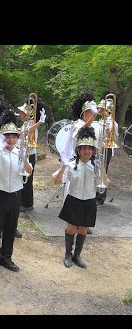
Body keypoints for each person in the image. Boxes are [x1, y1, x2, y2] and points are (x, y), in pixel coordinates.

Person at [0, 109, 33, 273]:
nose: (10, 139)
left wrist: (24, 157)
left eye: (13, 136)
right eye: (7, 136)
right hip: (0, 194)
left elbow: (29, 171)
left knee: (11, 228)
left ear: (17, 138)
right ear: (2, 137)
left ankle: (7, 258)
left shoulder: (19, 152)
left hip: (16, 195)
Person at [54, 127, 106, 269]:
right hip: (73, 200)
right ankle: (67, 255)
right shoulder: (71, 165)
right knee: (71, 229)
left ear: (93, 151)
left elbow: (105, 184)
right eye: (84, 148)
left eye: (90, 148)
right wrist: (64, 166)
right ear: (78, 150)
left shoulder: (96, 167)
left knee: (83, 230)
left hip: (89, 202)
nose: (87, 151)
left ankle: (77, 255)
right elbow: (57, 181)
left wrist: (103, 170)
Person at [62, 93, 98, 235]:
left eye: (92, 112)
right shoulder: (77, 124)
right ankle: (70, 222)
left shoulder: (93, 125)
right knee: (72, 192)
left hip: (88, 161)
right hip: (75, 162)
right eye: (89, 111)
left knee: (87, 191)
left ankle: (84, 223)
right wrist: (95, 116)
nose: (91, 114)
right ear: (83, 113)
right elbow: (81, 132)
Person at [17, 96, 47, 212]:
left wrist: (39, 122)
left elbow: (26, 132)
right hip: (25, 153)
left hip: (30, 154)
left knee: (28, 179)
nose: (20, 114)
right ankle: (23, 201)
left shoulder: (31, 126)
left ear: (26, 114)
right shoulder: (27, 124)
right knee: (24, 178)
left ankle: (28, 204)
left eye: (22, 112)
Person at [95, 92, 119, 205]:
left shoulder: (111, 123)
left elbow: (113, 139)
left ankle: (100, 197)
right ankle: (96, 194)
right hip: (98, 148)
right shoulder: (101, 121)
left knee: (103, 172)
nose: (98, 109)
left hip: (106, 149)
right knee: (97, 171)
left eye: (100, 108)